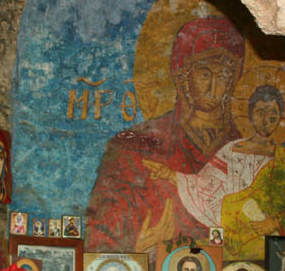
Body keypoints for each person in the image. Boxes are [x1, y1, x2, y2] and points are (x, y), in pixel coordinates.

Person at [85, 16, 246, 254]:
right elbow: (101, 239)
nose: (214, 86)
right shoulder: (133, 147)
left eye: (223, 75)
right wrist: (136, 246)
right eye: (204, 74)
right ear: (183, 77)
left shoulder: (245, 154)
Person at [151, 84, 285, 259]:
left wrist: (277, 222)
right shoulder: (231, 151)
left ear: (280, 118)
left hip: (274, 244)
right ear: (251, 115)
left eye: (272, 114)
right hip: (236, 240)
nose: (266, 120)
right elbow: (206, 186)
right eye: (260, 112)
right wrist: (170, 175)